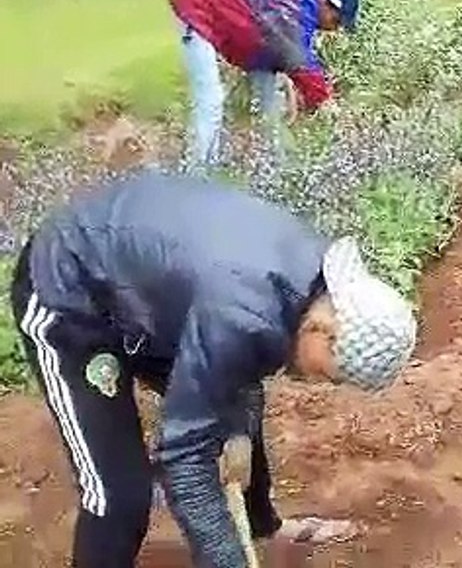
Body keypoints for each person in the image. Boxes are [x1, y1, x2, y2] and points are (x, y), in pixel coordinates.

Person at [8, 170, 418, 567]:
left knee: (234, 400)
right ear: (323, 330)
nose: (317, 382)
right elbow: (183, 456)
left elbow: (239, 375)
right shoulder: (244, 316)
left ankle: (261, 526)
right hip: (71, 294)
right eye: (329, 374)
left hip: (144, 293)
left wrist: (238, 430)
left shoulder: (309, 281)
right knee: (118, 495)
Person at [169, 0, 360, 172]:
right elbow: (300, 61)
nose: (335, 28)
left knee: (270, 107)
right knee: (211, 100)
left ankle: (278, 168)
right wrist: (325, 102)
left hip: (221, 10)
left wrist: (286, 72)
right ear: (324, 3)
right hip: (198, 6)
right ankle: (198, 177)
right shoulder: (297, 5)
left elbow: (279, 42)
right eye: (336, 20)